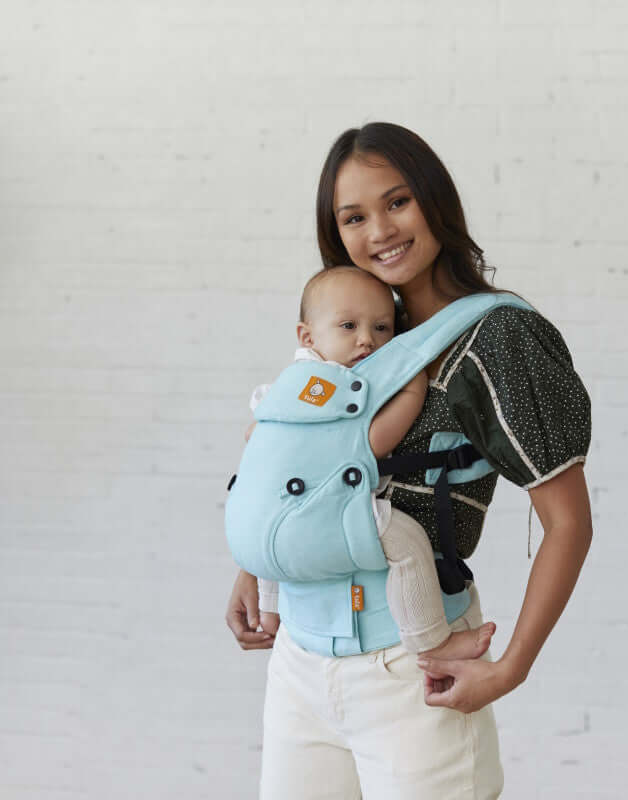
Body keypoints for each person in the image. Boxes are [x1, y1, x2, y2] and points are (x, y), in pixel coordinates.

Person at [225, 122, 593, 799]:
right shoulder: (350, 330)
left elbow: (568, 523)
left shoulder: (499, 336)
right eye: (354, 217)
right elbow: (295, 459)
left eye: (397, 202)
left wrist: (510, 668)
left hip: (413, 669)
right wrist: (258, 566)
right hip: (300, 660)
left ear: (434, 200)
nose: (381, 231)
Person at [246, 263, 497, 662]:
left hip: (273, 515)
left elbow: (253, 437)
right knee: (408, 544)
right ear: (307, 336)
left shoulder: (287, 385)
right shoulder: (340, 384)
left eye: (382, 328)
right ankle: (432, 639)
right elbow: (372, 446)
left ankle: (269, 613)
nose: (367, 340)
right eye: (349, 326)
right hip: (334, 509)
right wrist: (413, 389)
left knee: (270, 531)